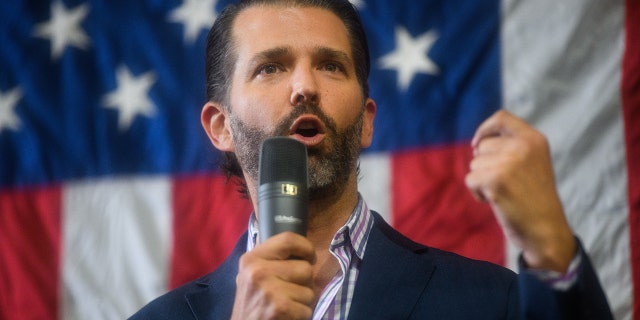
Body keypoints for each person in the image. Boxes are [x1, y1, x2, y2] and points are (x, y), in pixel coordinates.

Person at [130, 0, 613, 319]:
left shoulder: (493, 301)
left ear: (365, 120)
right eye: (270, 67)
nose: (305, 87)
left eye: (330, 65)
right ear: (221, 127)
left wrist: (551, 254)